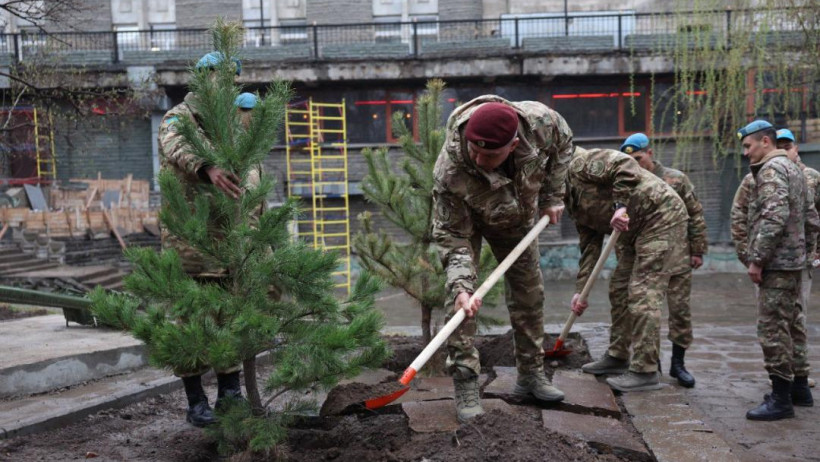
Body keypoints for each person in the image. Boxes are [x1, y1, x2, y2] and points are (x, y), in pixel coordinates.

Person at [431, 97, 573, 422]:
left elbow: (565, 145)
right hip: (467, 219)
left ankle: (531, 375)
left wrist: (552, 196)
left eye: (490, 154)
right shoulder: (451, 170)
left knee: (529, 294)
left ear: (513, 144)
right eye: (475, 150)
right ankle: (466, 382)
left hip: (518, 217)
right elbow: (452, 237)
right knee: (461, 303)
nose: (479, 159)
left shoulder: (541, 123)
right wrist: (461, 286)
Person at [158, 52, 253, 427]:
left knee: (228, 322)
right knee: (190, 323)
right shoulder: (179, 118)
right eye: (219, 76)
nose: (226, 84)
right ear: (202, 78)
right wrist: (207, 166)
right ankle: (195, 401)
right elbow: (175, 147)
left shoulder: (229, 125)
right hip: (190, 246)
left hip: (228, 244)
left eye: (232, 78)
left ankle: (231, 394)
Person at [567, 147, 688, 392]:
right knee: (619, 288)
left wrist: (620, 205)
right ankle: (617, 356)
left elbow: (625, 166)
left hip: (660, 217)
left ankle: (645, 371)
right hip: (631, 231)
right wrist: (581, 291)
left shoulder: (580, 163)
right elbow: (589, 246)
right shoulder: (567, 201)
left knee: (643, 293)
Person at [731, 125, 820, 397]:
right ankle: (801, 388)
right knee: (793, 323)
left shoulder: (770, 171)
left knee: (772, 329)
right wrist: (806, 254)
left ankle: (781, 398)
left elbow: (774, 217)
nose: (746, 153)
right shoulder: (796, 170)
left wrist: (756, 259)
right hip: (794, 262)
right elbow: (812, 218)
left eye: (748, 146)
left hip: (777, 264)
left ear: (765, 141)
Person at [620, 133, 707, 388]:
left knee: (680, 312)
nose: (636, 164)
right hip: (648, 261)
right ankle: (650, 362)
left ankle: (678, 364)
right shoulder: (630, 184)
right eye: (630, 160)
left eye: (638, 158)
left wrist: (698, 250)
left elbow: (696, 214)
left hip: (679, 258)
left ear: (649, 153)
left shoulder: (675, 179)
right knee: (647, 311)